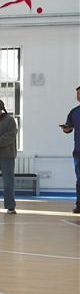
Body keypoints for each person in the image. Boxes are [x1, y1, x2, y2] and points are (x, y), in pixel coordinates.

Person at [60, 85, 80, 213]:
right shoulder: (74, 112)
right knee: (79, 179)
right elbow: (69, 127)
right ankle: (79, 205)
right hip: (78, 151)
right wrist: (66, 129)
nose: (78, 96)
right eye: (77, 94)